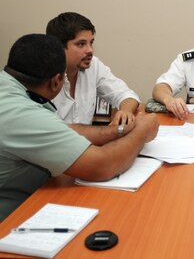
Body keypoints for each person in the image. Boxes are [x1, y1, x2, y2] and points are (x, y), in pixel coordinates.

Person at [0, 34, 159, 222]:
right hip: (13, 218)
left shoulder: (9, 89)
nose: (89, 50)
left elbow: (58, 129)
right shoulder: (20, 112)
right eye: (80, 43)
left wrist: (115, 131)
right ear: (56, 81)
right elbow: (103, 165)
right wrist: (142, 131)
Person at [46, 12, 140, 126]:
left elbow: (125, 94)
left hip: (87, 142)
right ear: (58, 47)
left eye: (91, 43)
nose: (90, 50)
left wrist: (126, 111)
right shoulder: (42, 76)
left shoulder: (93, 65)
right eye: (81, 44)